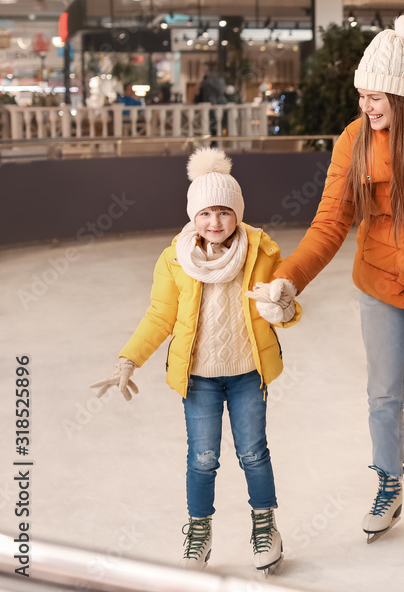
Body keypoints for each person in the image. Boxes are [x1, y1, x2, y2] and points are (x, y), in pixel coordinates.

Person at [247, 14, 404, 570]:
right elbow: (330, 224)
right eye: (362, 95)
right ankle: (389, 482)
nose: (366, 106)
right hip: (378, 276)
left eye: (375, 96)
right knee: (382, 394)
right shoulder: (353, 141)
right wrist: (289, 277)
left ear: (400, 95)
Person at [90, 147, 301, 575]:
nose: (216, 222)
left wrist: (281, 308)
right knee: (202, 457)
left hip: (246, 373)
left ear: (237, 213)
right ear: (193, 216)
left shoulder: (260, 251)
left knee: (254, 453)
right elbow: (160, 315)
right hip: (199, 378)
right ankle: (199, 532)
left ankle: (266, 526)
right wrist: (129, 358)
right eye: (206, 213)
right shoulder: (174, 259)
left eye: (224, 212)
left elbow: (286, 304)